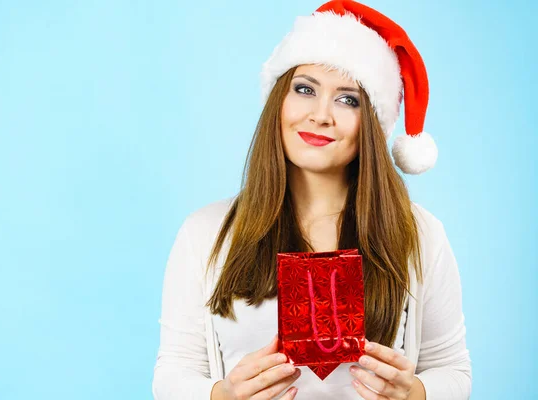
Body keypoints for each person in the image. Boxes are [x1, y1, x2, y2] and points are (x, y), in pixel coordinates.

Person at [152, 0, 471, 399]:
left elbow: (453, 369)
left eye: (347, 99)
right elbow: (174, 372)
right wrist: (222, 396)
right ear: (279, 102)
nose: (321, 115)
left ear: (370, 124)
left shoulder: (420, 234)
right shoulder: (205, 233)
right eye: (305, 89)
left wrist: (417, 393)